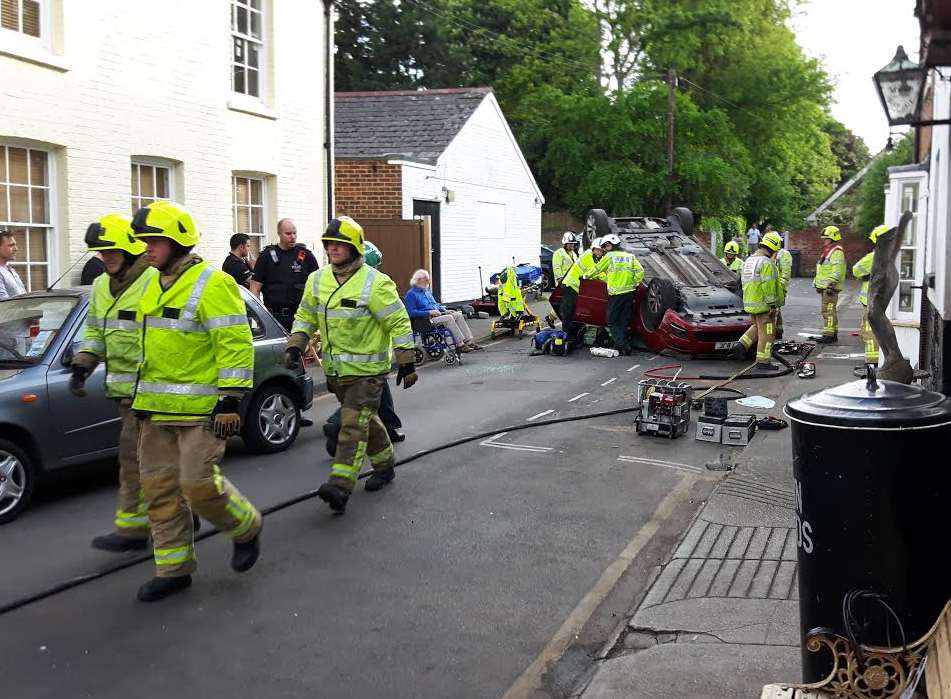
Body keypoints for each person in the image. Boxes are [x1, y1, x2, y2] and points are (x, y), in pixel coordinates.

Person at [129, 201, 262, 602]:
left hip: (202, 412)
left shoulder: (212, 282)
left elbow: (234, 342)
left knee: (198, 485)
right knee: (159, 489)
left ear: (177, 241)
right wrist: (137, 396)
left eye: (155, 241)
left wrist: (230, 400)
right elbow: (146, 345)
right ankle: (173, 568)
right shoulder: (151, 283)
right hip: (155, 412)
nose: (147, 248)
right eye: (145, 241)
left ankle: (246, 527)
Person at [286, 216, 417, 515]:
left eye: (339, 244)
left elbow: (398, 321)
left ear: (354, 247)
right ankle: (384, 466)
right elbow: (305, 315)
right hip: (336, 373)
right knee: (365, 422)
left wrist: (407, 361)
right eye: (329, 244)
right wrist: (295, 345)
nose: (332, 249)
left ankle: (340, 485)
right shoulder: (317, 280)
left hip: (368, 375)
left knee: (352, 426)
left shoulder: (375, 282)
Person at [70, 214, 159, 552]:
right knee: (136, 461)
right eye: (101, 252)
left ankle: (153, 523)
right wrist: (84, 362)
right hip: (125, 396)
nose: (105, 258)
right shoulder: (100, 287)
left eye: (111, 251)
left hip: (154, 393)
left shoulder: (154, 282)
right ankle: (139, 527)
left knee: (150, 462)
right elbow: (94, 331)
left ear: (131, 251)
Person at [323, 239, 405, 456]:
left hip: (350, 362)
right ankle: (336, 427)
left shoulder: (341, 286)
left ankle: (389, 430)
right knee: (360, 405)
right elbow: (396, 319)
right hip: (366, 362)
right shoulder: (370, 286)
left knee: (370, 402)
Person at [250, 218, 319, 332]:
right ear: (279, 234)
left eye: (294, 233)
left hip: (301, 318)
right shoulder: (266, 256)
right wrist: (259, 316)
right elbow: (254, 289)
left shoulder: (306, 256)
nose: (292, 237)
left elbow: (317, 289)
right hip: (274, 318)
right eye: (288, 233)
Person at [589, 233, 645, 355]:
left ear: (610, 245)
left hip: (616, 293)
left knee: (612, 321)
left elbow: (597, 269)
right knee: (623, 320)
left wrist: (585, 276)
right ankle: (620, 345)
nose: (604, 248)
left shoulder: (610, 257)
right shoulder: (630, 256)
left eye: (605, 246)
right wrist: (634, 283)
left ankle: (623, 345)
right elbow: (640, 271)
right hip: (629, 293)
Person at [732, 234, 782, 369]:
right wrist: (772, 304)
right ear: (773, 247)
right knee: (767, 333)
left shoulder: (749, 261)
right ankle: (763, 362)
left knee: (757, 327)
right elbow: (768, 285)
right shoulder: (766, 263)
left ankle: (741, 344)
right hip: (764, 305)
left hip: (751, 304)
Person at [405, 268, 482, 353]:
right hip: (425, 320)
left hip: (437, 315)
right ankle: (460, 344)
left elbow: (435, 305)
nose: (428, 282)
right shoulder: (411, 294)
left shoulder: (426, 291)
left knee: (457, 315)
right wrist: (429, 312)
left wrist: (445, 310)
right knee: (449, 318)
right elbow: (411, 312)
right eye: (426, 280)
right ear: (418, 280)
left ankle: (469, 341)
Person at [852, 224, 889, 366]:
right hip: (884, 300)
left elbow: (856, 270)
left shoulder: (873, 256)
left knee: (870, 331)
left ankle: (873, 362)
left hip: (871, 300)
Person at [558, 238, 605, 336]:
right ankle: (565, 335)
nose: (601, 252)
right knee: (569, 312)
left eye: (602, 251)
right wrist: (609, 279)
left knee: (576, 311)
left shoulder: (594, 258)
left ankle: (573, 334)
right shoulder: (588, 256)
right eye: (599, 250)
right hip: (571, 286)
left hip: (577, 288)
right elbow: (596, 272)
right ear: (594, 249)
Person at [813, 225, 846, 343]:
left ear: (832, 238)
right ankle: (832, 333)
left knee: (828, 311)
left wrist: (830, 285)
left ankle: (829, 335)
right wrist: (817, 284)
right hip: (825, 288)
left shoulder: (836, 252)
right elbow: (822, 269)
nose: (824, 241)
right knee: (829, 310)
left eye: (826, 238)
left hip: (830, 288)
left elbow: (837, 271)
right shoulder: (829, 251)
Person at [773, 236, 793, 339]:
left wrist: (781, 288)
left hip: (779, 287)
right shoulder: (773, 253)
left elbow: (785, 273)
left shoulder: (784, 255)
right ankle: (778, 331)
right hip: (774, 286)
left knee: (775, 310)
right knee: (777, 309)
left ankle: (773, 333)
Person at [0, 230, 26, 299]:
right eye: (11, 245)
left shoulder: (11, 270)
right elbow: (3, 303)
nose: (16, 249)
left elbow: (23, 296)